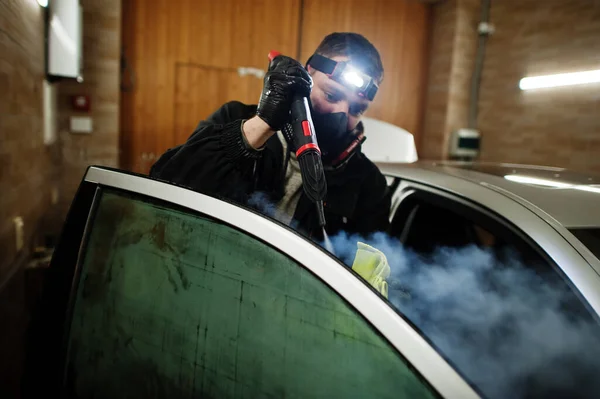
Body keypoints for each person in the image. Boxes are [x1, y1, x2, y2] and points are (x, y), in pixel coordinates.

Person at [150, 32, 390, 240]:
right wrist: (261, 126)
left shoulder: (369, 183)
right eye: (331, 95)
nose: (341, 113)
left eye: (357, 110)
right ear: (308, 75)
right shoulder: (234, 118)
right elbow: (168, 187)